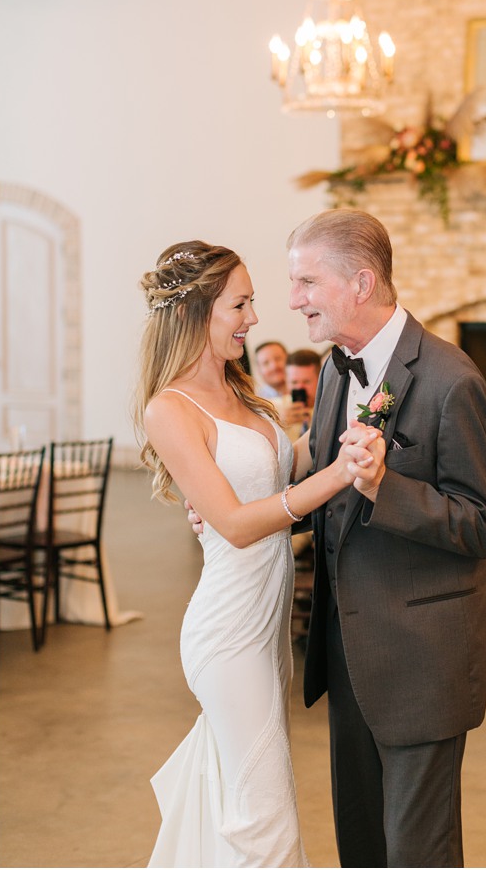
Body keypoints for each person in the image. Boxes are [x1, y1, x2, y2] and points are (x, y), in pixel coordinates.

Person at [191, 210, 486, 866]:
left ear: (361, 283)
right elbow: (326, 491)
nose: (293, 299)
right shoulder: (338, 369)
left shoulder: (453, 381)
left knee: (418, 849)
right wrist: (242, 509)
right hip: (349, 656)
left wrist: (382, 487)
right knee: (360, 845)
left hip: (423, 662)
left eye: (307, 281)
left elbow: (483, 523)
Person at [137, 242, 385, 867]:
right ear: (196, 312)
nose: (253, 318)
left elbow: (285, 465)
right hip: (227, 632)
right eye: (240, 304)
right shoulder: (169, 409)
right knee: (264, 808)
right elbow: (236, 524)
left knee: (252, 795)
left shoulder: (241, 391)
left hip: (266, 627)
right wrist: (338, 476)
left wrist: (357, 418)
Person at [280, 348, 321, 441]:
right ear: (286, 381)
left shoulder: (331, 410)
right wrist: (280, 426)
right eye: (294, 382)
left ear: (320, 379)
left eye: (306, 381)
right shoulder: (274, 410)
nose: (299, 388)